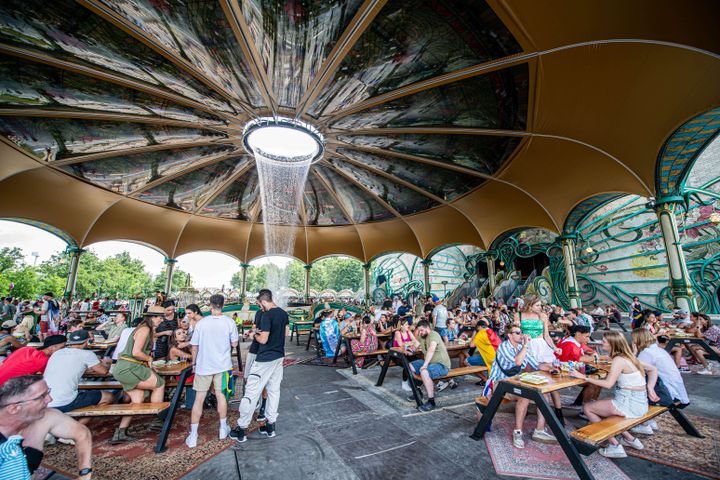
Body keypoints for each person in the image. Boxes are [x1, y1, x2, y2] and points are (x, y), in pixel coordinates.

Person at [569, 331, 660, 458]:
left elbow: (608, 384)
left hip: (629, 404)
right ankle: (630, 439)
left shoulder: (618, 360)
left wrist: (584, 377)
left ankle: (615, 445)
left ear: (612, 344)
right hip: (640, 403)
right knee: (605, 401)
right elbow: (653, 369)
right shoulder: (629, 357)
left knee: (588, 407)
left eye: (604, 341)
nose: (601, 343)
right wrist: (650, 388)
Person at [230, 289, 288, 442]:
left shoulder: (268, 315)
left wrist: (252, 334)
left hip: (264, 358)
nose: (260, 307)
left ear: (263, 301)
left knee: (252, 391)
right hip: (278, 357)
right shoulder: (283, 313)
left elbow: (262, 339)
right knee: (274, 391)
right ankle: (270, 426)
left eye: (260, 304)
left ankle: (241, 428)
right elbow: (286, 333)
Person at [485, 323, 556, 448]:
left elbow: (536, 365)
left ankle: (539, 430)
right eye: (517, 333)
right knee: (524, 396)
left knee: (545, 392)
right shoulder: (504, 346)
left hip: (515, 382)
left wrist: (551, 368)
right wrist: (525, 345)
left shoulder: (521, 348)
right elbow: (517, 361)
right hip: (499, 383)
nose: (521, 335)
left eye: (521, 332)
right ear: (509, 335)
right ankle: (517, 432)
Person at [186, 294, 239, 448]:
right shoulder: (229, 322)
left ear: (210, 305)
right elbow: (234, 344)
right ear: (223, 305)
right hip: (223, 365)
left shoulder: (202, 324)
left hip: (204, 365)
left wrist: (194, 363)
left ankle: (194, 435)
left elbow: (194, 345)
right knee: (221, 395)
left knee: (199, 399)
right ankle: (223, 428)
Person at [111, 305, 167, 444]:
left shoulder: (145, 329)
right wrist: (149, 359)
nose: (161, 320)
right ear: (152, 317)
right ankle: (157, 419)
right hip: (130, 367)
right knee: (159, 384)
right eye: (160, 317)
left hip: (126, 367)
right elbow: (136, 352)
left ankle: (120, 432)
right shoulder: (145, 329)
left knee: (138, 398)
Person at [632, 328, 689, 435]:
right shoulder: (658, 349)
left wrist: (633, 354)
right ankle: (648, 419)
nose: (632, 342)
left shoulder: (646, 352)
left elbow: (636, 371)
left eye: (634, 339)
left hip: (666, 392)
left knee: (632, 385)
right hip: (675, 388)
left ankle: (642, 422)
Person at [44, 330, 113, 414]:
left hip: (45, 400)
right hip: (64, 401)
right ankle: (81, 423)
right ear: (87, 341)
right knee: (109, 396)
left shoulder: (57, 353)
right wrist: (108, 363)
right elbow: (104, 372)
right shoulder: (87, 354)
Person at [407, 320, 451, 412]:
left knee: (424, 372)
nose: (420, 332)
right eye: (419, 331)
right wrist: (410, 350)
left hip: (441, 364)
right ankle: (417, 391)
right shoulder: (422, 336)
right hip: (430, 363)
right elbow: (415, 345)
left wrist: (425, 365)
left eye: (422, 330)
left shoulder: (434, 334)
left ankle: (431, 401)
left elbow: (431, 349)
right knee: (409, 366)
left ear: (427, 328)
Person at [0, 335, 66, 385]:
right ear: (51, 348)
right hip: (5, 390)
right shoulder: (44, 360)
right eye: (62, 347)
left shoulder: (25, 349)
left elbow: (4, 363)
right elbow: (51, 379)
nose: (65, 350)